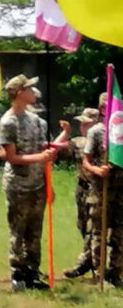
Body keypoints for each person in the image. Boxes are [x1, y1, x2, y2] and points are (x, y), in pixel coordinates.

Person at [0, 74, 57, 292]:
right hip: (18, 186)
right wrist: (40, 158)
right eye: (30, 89)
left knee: (35, 231)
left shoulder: (37, 121)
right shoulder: (8, 122)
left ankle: (33, 272)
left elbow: (43, 151)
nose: (34, 92)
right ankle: (18, 273)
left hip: (37, 184)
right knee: (18, 231)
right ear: (19, 93)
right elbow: (12, 157)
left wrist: (48, 181)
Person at [82, 93, 123, 286]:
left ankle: (115, 272)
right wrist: (98, 170)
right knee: (99, 233)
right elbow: (86, 161)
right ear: (103, 109)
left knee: (120, 234)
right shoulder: (96, 132)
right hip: (101, 190)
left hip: (121, 191)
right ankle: (99, 274)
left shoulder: (120, 131)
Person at [64, 107, 100, 279]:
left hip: (97, 188)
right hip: (82, 187)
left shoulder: (104, 140)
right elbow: (54, 149)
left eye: (86, 123)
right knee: (82, 224)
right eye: (81, 123)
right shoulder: (77, 141)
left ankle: (87, 262)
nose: (83, 126)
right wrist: (65, 133)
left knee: (94, 228)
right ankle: (89, 260)